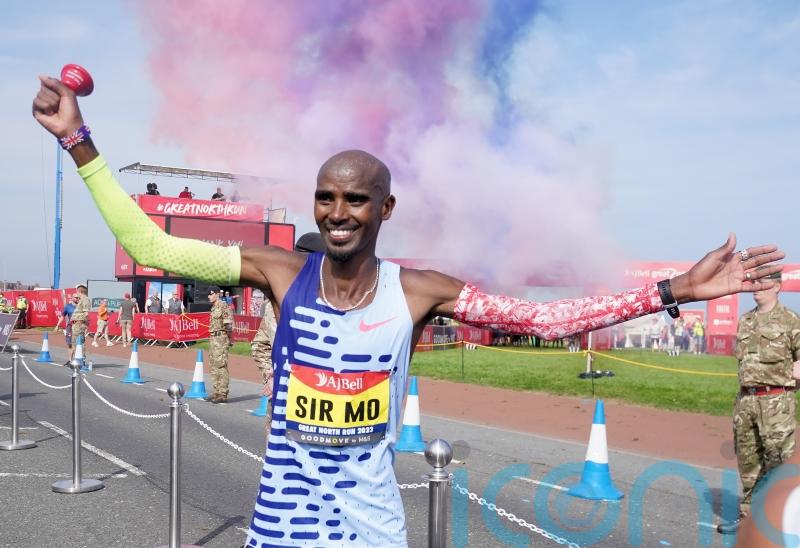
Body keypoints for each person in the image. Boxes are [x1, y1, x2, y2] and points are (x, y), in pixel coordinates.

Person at [33, 75, 786, 548]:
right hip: (282, 526)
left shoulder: (419, 290)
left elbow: (545, 321)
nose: (337, 211)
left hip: (371, 526)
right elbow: (146, 240)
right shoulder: (276, 270)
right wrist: (78, 139)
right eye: (326, 195)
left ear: (384, 207)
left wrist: (674, 292)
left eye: (355, 197)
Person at [718, 271, 800, 534]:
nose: (756, 288)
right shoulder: (746, 321)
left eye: (762, 284)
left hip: (777, 400)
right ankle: (749, 522)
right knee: (749, 463)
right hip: (746, 401)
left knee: (780, 462)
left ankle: (784, 522)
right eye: (754, 284)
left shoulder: (790, 321)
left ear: (777, 286)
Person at [250, 232, 325, 415]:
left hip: (322, 402)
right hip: (285, 397)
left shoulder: (337, 304)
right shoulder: (275, 303)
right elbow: (260, 346)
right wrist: (272, 376)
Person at [207, 286, 233, 403]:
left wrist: (229, 339)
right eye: (208, 294)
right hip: (213, 338)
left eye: (211, 293)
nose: (209, 296)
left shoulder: (223, 305)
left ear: (217, 294)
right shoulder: (213, 307)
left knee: (221, 365)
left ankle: (222, 393)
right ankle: (216, 392)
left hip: (221, 338)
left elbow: (228, 324)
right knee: (214, 365)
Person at [54, 294, 79, 364]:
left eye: (78, 298)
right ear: (72, 298)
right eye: (76, 297)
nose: (77, 299)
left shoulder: (80, 306)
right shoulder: (68, 306)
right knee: (69, 344)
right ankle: (70, 360)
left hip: (77, 327)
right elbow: (62, 316)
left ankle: (75, 360)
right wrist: (57, 325)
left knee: (76, 344)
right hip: (69, 327)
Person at [71, 284, 91, 358]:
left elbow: (86, 313)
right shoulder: (81, 300)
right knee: (75, 342)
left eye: (77, 291)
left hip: (79, 324)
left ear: (80, 291)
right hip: (76, 324)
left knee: (79, 342)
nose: (76, 293)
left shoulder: (85, 299)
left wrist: (84, 324)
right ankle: (76, 359)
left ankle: (81, 359)